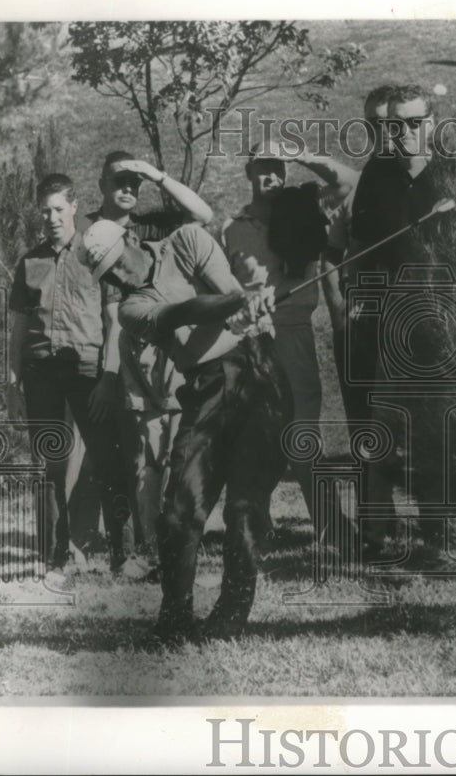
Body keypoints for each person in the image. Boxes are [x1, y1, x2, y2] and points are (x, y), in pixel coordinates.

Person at [80, 218, 292, 643]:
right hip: (205, 386)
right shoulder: (131, 309)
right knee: (179, 513)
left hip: (259, 372)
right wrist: (236, 304)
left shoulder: (189, 239)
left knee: (244, 509)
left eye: (119, 265)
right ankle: (175, 618)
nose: (119, 280)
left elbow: (225, 289)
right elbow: (186, 313)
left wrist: (242, 304)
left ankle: (230, 618)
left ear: (133, 241)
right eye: (109, 277)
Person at [84, 151, 213, 579]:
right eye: (118, 180)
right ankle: (146, 550)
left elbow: (203, 214)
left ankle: (177, 546)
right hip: (128, 357)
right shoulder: (93, 238)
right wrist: (109, 374)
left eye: (133, 182)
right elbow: (108, 316)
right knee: (141, 461)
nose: (127, 189)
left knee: (179, 453)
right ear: (100, 183)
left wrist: (155, 174)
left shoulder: (153, 225)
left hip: (173, 353)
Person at [220, 146, 357, 524]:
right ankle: (252, 526)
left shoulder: (308, 211)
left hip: (294, 335)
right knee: (251, 436)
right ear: (249, 173)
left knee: (302, 436)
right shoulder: (230, 229)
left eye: (278, 169)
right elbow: (218, 289)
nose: (272, 178)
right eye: (263, 170)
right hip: (248, 339)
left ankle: (331, 526)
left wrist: (300, 154)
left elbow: (348, 182)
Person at [6, 174, 129, 577]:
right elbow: (20, 328)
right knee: (50, 464)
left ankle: (120, 555)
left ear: (75, 208)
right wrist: (12, 377)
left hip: (87, 370)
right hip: (41, 372)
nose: (52, 218)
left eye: (59, 209)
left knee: (108, 461)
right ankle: (55, 555)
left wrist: (110, 376)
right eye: (45, 210)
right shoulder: (30, 261)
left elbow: (115, 322)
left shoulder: (97, 254)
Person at [349, 84, 447, 557]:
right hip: (389, 322)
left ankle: (441, 533)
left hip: (447, 322)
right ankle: (376, 533)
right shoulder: (377, 173)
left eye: (414, 122)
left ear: (432, 122)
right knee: (383, 428)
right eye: (394, 124)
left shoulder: (455, 174)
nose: (404, 133)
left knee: (440, 432)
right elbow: (364, 249)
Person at [322, 84, 397, 427]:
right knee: (364, 425)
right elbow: (332, 254)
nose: (380, 131)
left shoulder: (434, 183)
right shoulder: (356, 186)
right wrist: (339, 315)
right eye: (371, 124)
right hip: (360, 324)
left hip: (416, 323)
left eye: (388, 122)